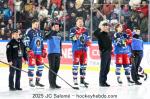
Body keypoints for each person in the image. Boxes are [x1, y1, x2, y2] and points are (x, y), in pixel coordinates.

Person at [23, 19, 47, 87]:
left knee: (41, 67)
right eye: (36, 24)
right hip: (32, 53)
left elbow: (41, 42)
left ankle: (37, 81)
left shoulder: (40, 32)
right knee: (31, 67)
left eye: (38, 24)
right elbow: (25, 42)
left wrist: (43, 49)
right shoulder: (28, 31)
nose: (37, 25)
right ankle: (30, 81)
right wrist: (28, 50)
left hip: (39, 53)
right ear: (32, 24)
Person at [69, 17, 92, 87]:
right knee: (75, 65)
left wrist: (89, 42)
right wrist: (77, 34)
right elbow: (71, 38)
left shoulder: (86, 30)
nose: (80, 23)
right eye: (79, 21)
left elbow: (88, 39)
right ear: (76, 23)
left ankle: (82, 80)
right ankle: (75, 79)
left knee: (83, 66)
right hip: (76, 50)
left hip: (84, 50)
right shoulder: (73, 29)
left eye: (81, 21)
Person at [94, 20, 112, 87]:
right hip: (104, 52)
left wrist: (111, 50)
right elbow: (95, 33)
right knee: (103, 68)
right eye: (104, 26)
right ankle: (101, 82)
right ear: (102, 27)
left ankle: (104, 81)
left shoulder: (107, 34)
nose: (106, 27)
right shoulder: (100, 34)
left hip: (109, 52)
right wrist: (100, 27)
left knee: (107, 68)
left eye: (106, 26)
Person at [45, 22, 62, 89]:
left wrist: (60, 52)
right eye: (56, 26)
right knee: (52, 68)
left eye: (58, 26)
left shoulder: (59, 34)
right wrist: (52, 30)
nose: (57, 27)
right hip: (51, 53)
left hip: (57, 53)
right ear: (53, 27)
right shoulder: (50, 33)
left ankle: (54, 83)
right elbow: (46, 36)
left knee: (56, 68)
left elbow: (60, 44)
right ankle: (51, 84)